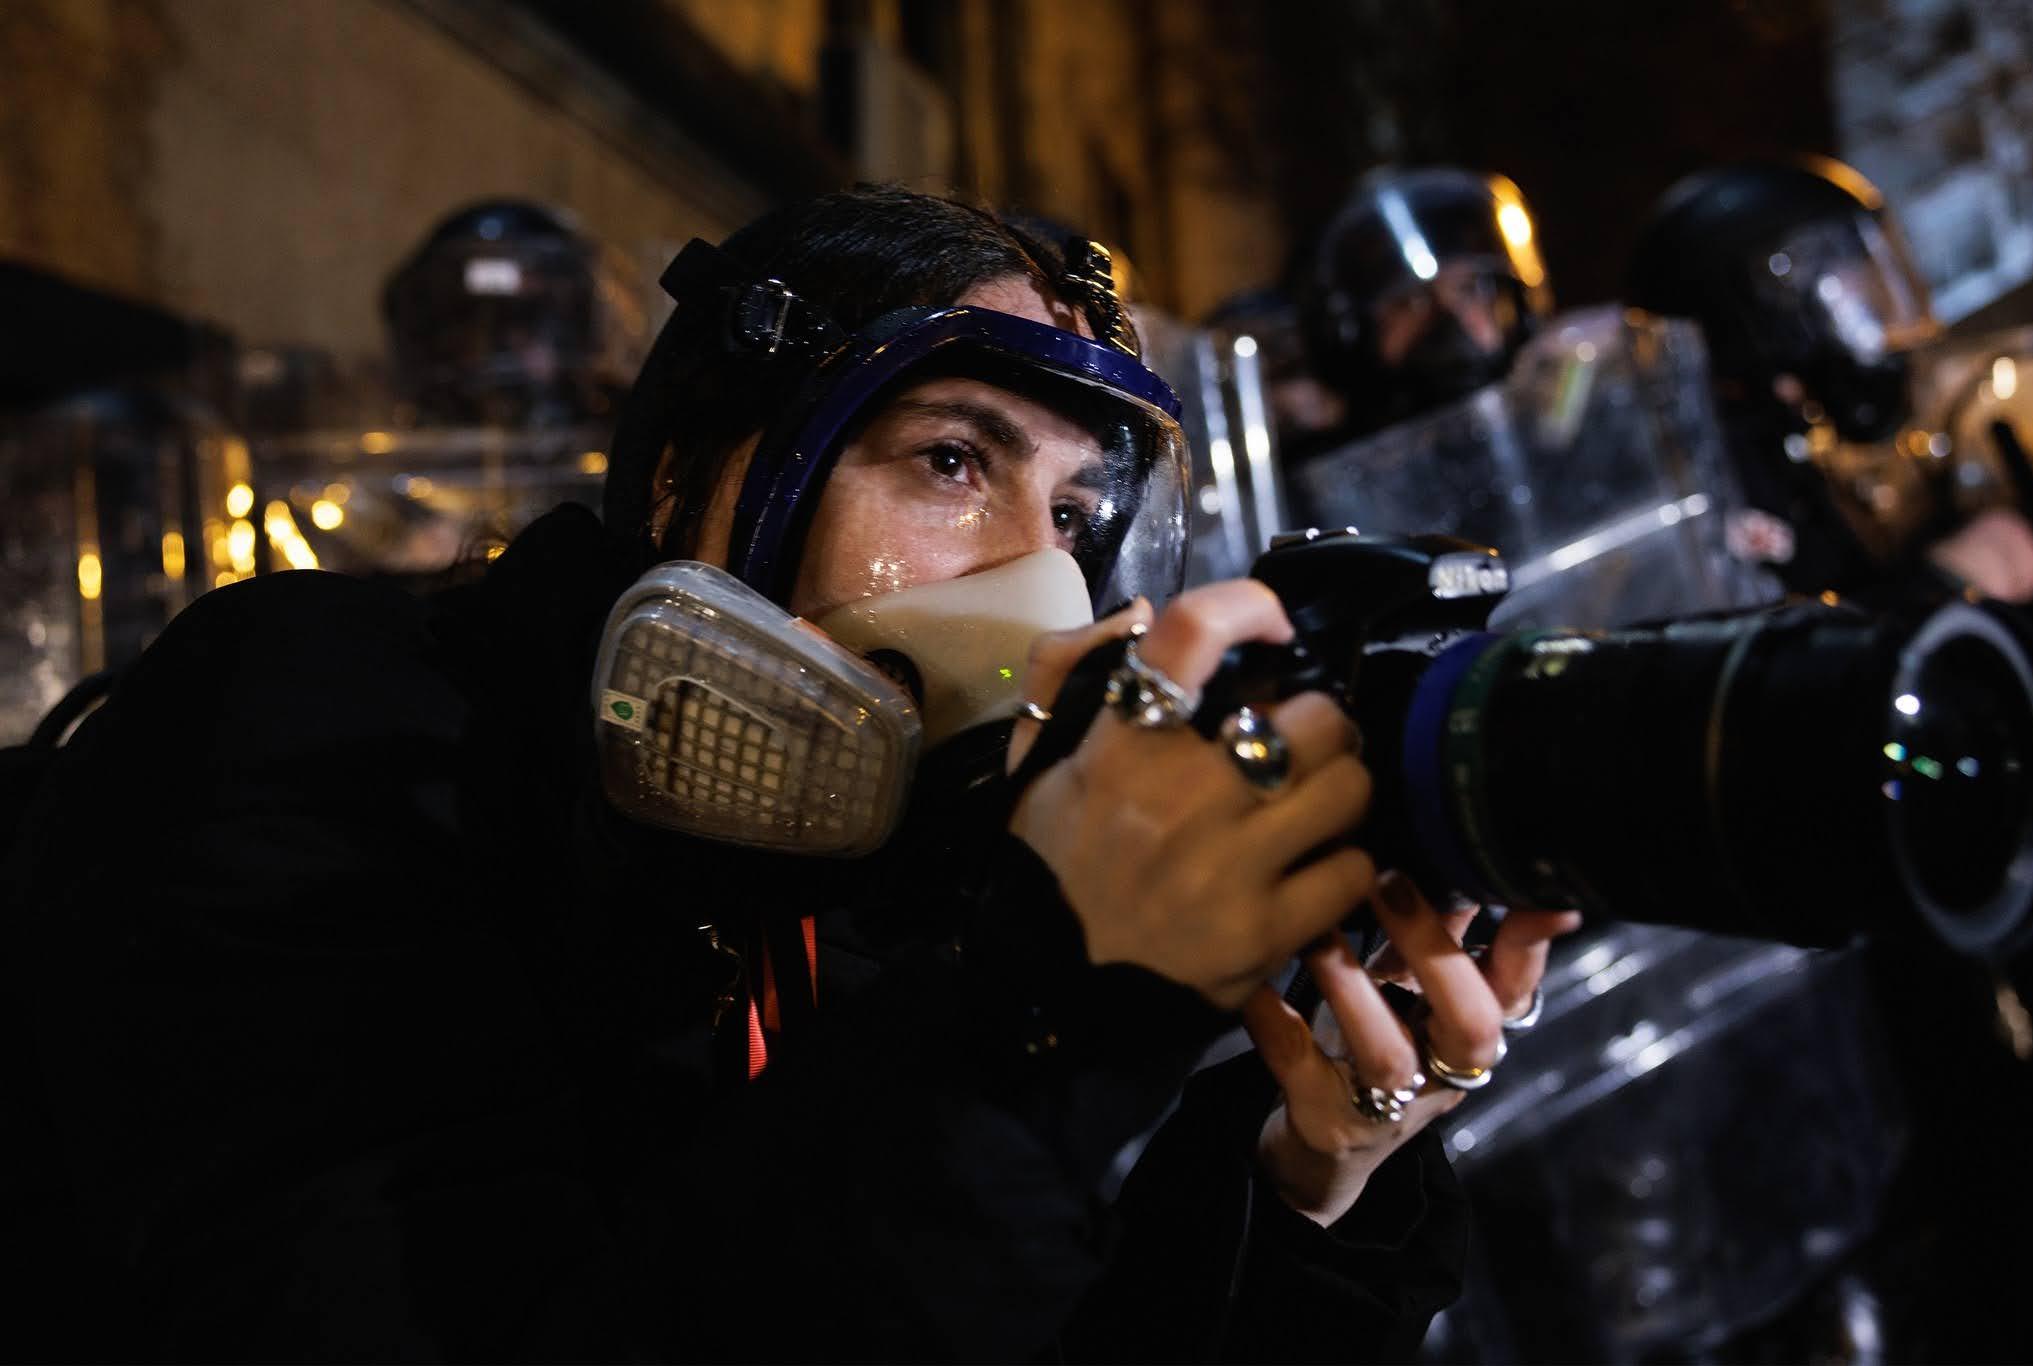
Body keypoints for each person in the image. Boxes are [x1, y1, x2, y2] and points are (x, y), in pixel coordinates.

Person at [3, 187, 1575, 1361]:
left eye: (1084, 518)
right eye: (953, 462)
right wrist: (1037, 1023)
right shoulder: (322, 728)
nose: (1047, 583)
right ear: (688, 473)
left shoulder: (887, 872)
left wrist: (1306, 1188)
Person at [1625, 157, 2033, 605]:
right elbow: (1782, 655)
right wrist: (1942, 583)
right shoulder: (1713, 490)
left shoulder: (1796, 454)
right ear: (1765, 313)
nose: (1885, 326)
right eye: (1852, 283)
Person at [1296, 167, 1554, 449]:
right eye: (1411, 301)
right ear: (1355, 333)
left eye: (1469, 290)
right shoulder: (1343, 474)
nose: (1449, 315)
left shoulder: (1553, 420)